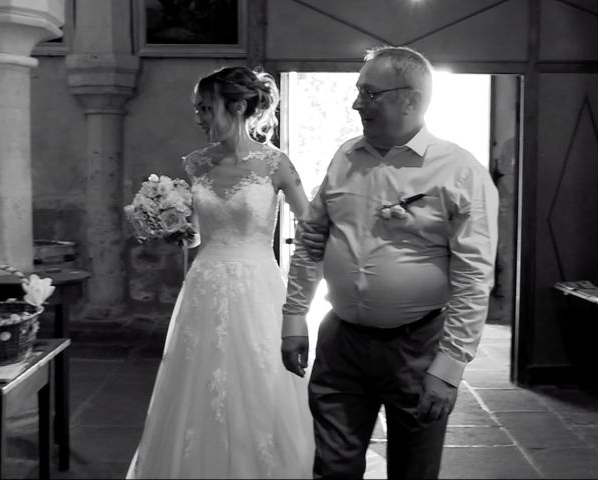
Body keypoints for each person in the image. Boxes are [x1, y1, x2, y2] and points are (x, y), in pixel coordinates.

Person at [281, 45, 499, 479]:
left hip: (418, 347)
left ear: (410, 100)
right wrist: (294, 316)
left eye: (369, 93)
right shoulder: (345, 156)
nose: (356, 102)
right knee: (332, 466)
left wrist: (451, 364)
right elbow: (311, 238)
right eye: (359, 91)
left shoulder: (460, 171)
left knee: (413, 469)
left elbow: (474, 275)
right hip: (342, 341)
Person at [127, 66, 314, 479]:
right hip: (203, 287)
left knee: (260, 384)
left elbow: (312, 226)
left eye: (207, 108)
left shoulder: (275, 164)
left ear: (240, 106)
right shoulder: (195, 165)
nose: (199, 118)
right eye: (197, 108)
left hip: (258, 288)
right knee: (197, 386)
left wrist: (305, 285)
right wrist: (168, 223)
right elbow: (194, 237)